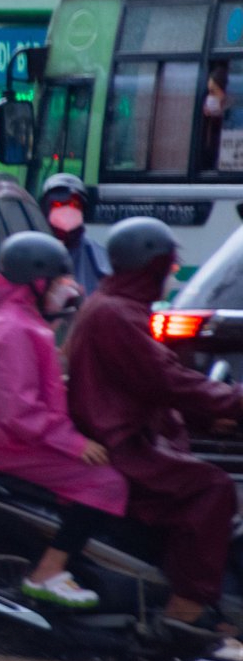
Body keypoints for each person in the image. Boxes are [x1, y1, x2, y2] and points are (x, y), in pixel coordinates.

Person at [64, 217, 243, 636]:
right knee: (212, 488)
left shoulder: (117, 306)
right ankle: (185, 604)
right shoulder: (116, 315)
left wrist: (211, 414)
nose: (174, 275)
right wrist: (236, 401)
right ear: (150, 267)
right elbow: (168, 380)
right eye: (169, 266)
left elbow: (156, 383)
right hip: (125, 446)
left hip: (136, 435)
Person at [0, 232, 120, 609]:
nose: (65, 289)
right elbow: (18, 411)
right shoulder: (18, 329)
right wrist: (76, 443)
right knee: (106, 482)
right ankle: (49, 570)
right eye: (57, 281)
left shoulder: (12, 318)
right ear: (36, 282)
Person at [40, 173, 111, 295]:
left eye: (74, 205)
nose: (67, 211)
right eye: (58, 204)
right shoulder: (35, 250)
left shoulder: (96, 256)